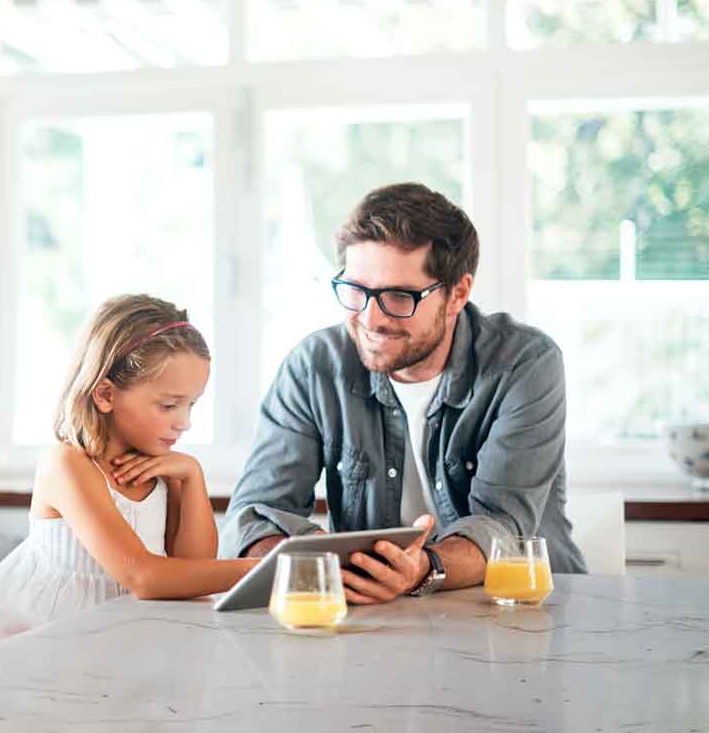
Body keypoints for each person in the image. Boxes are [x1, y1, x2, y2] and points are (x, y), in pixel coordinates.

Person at [220, 182, 586, 605]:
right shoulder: (315, 365)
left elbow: (502, 524)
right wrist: (304, 560)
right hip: (379, 620)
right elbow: (255, 515)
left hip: (517, 612)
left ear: (458, 294)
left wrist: (423, 569)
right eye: (355, 290)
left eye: (398, 296)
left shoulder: (524, 362)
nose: (371, 318)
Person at [0, 294, 256, 650]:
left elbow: (193, 570)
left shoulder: (162, 466)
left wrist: (192, 477)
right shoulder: (68, 464)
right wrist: (266, 570)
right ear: (105, 394)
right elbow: (143, 577)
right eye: (168, 405)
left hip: (111, 641)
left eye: (191, 404)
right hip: (38, 643)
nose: (185, 422)